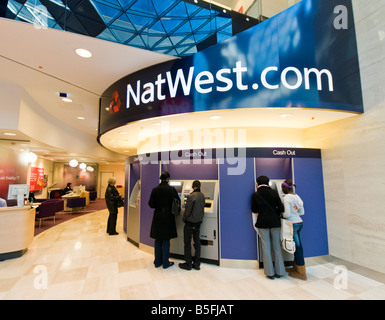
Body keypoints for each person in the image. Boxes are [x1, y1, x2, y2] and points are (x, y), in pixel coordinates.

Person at [251, 175, 285, 279]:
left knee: (266, 248)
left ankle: (270, 273)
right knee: (277, 247)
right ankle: (280, 271)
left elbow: (254, 210)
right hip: (275, 222)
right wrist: (275, 213)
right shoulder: (274, 192)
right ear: (268, 182)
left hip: (262, 223)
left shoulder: (256, 194)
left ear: (258, 183)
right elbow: (281, 208)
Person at [148, 171, 178, 269]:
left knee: (158, 240)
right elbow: (178, 201)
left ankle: (157, 262)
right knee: (166, 240)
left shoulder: (155, 190)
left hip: (158, 216)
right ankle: (165, 263)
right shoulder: (172, 189)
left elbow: (151, 204)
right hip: (168, 216)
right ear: (168, 179)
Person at [281, 179, 306, 280]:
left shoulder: (286, 198)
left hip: (292, 224)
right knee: (298, 246)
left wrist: (281, 215)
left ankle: (301, 272)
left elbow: (287, 214)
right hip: (299, 222)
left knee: (297, 247)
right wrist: (295, 213)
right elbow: (302, 212)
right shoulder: (297, 196)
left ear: (284, 188)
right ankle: (296, 268)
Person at [179, 180, 206, 271]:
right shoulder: (202, 196)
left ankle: (188, 263)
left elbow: (187, 211)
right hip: (198, 222)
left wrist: (184, 218)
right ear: (200, 186)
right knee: (197, 242)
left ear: (192, 186)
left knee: (187, 242)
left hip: (190, 223)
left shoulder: (191, 196)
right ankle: (197, 264)